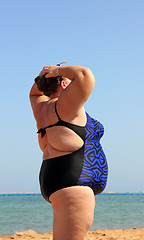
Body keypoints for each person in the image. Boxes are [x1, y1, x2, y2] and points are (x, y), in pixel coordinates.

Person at [29, 63, 108, 240]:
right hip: (72, 186)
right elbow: (85, 74)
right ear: (65, 85)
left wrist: (45, 75)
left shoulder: (41, 106)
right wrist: (56, 71)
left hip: (57, 180)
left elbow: (34, 93)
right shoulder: (65, 106)